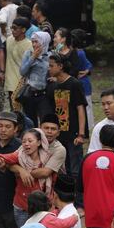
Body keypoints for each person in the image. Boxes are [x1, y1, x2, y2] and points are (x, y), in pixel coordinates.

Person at [46, 53, 87, 210]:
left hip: (74, 135)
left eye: (51, 65)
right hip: (59, 136)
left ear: (60, 66)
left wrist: (81, 133)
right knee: (63, 171)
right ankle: (66, 202)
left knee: (76, 171)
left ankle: (80, 204)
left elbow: (80, 108)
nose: (49, 68)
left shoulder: (74, 84)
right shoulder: (53, 86)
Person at [19, 31, 53, 126]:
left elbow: (54, 72)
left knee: (45, 120)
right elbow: (22, 71)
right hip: (29, 93)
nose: (34, 44)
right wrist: (33, 57)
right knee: (30, 122)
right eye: (32, 42)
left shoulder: (50, 56)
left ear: (44, 42)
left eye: (36, 42)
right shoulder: (28, 54)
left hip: (44, 94)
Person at [4, 17, 32, 110]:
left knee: (22, 111)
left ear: (23, 29)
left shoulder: (29, 45)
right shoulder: (9, 40)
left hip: (22, 83)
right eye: (12, 27)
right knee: (14, 111)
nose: (12, 30)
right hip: (10, 82)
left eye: (15, 28)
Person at [71, 28, 94, 129]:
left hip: (82, 83)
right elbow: (89, 64)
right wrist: (87, 70)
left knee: (86, 106)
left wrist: (86, 70)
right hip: (83, 82)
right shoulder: (81, 52)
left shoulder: (78, 53)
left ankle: (87, 127)